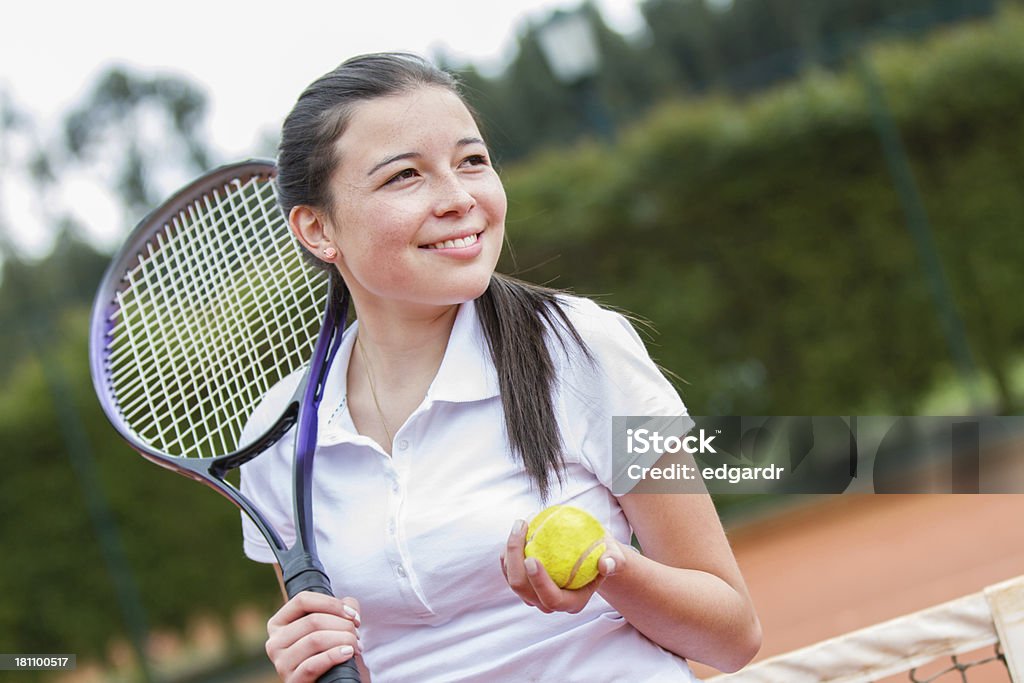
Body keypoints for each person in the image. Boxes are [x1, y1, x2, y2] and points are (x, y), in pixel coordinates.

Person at [239, 52, 761, 682]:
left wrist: (611, 570)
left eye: (472, 161)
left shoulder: (580, 347)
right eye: (405, 175)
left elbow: (732, 635)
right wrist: (313, 664)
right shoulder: (277, 436)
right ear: (318, 229)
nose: (459, 198)